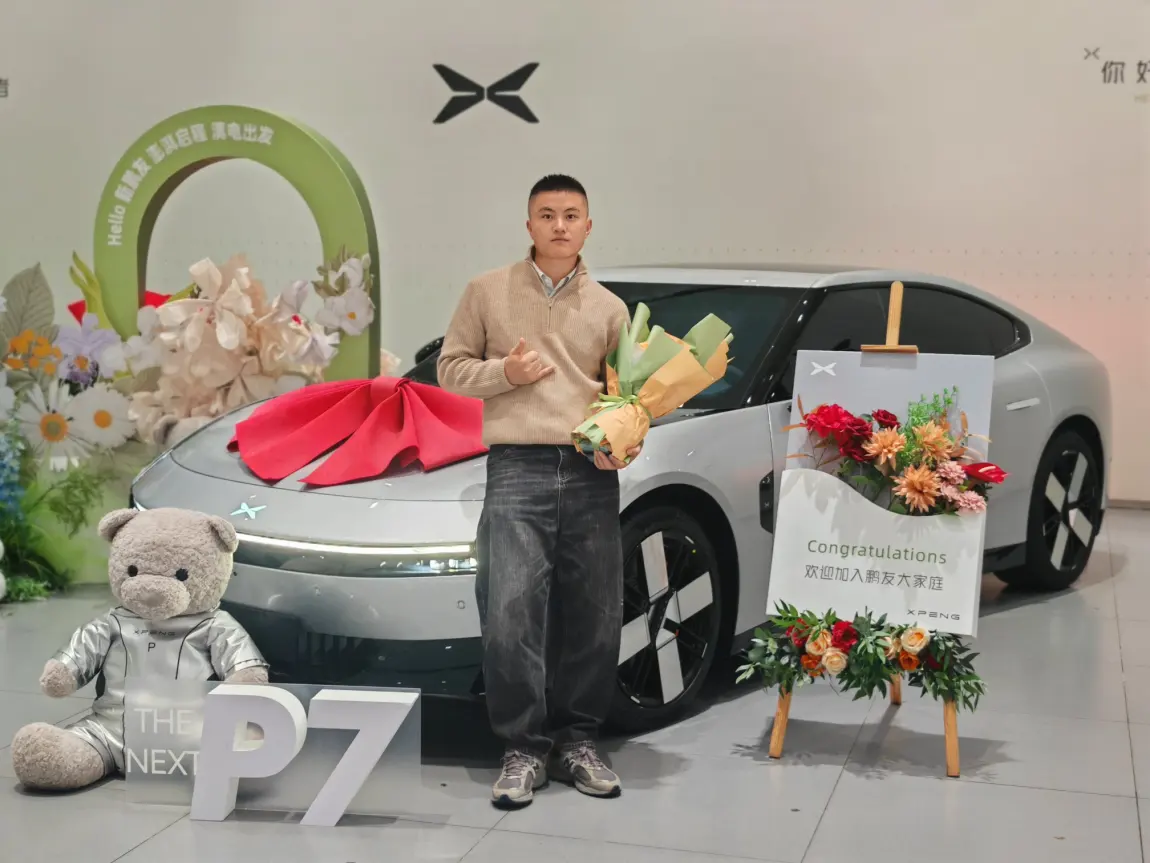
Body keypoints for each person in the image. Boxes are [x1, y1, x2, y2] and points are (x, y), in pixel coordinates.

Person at [437, 174, 638, 809]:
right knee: (510, 613)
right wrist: (508, 372)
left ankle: (579, 740)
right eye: (546, 215)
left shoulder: (610, 308)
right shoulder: (486, 291)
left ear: (587, 226)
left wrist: (624, 439)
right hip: (516, 466)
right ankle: (523, 748)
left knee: (596, 614)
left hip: (589, 470)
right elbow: (450, 369)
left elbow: (627, 396)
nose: (559, 225)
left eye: (571, 215)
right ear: (529, 225)